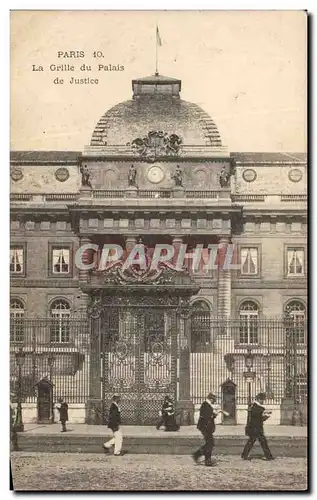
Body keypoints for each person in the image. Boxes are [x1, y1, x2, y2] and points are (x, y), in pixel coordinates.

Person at [192, 393, 228, 467]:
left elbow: (209, 415)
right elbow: (209, 417)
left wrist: (217, 412)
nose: (214, 401)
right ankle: (206, 460)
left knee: (209, 443)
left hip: (205, 427)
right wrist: (218, 412)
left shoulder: (206, 405)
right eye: (214, 400)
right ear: (211, 399)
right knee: (210, 443)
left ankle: (197, 455)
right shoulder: (205, 405)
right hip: (205, 427)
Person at [241, 392, 274, 461]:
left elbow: (258, 418)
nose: (263, 401)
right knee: (262, 442)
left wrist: (265, 416)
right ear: (259, 399)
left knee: (252, 441)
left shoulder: (254, 406)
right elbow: (258, 417)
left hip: (254, 427)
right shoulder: (257, 407)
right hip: (256, 428)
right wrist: (265, 415)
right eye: (262, 400)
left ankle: (244, 455)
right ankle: (268, 456)